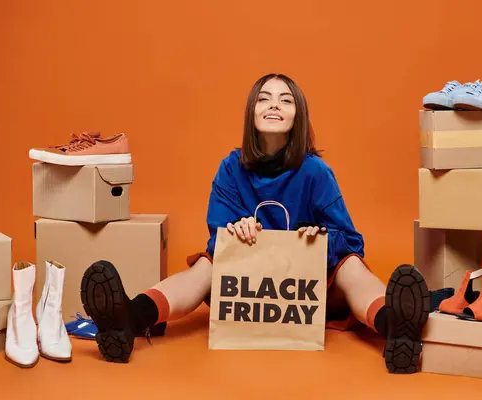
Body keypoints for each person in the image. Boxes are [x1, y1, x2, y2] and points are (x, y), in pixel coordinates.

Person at [80, 73, 446, 374]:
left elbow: (350, 239)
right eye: (264, 98)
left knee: (351, 267)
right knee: (205, 267)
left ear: (297, 116)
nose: (274, 104)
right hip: (249, 286)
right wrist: (234, 232)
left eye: (286, 100)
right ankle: (130, 317)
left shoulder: (316, 171)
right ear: (251, 114)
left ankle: (395, 327)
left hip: (306, 289)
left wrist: (319, 237)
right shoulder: (231, 167)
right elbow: (216, 238)